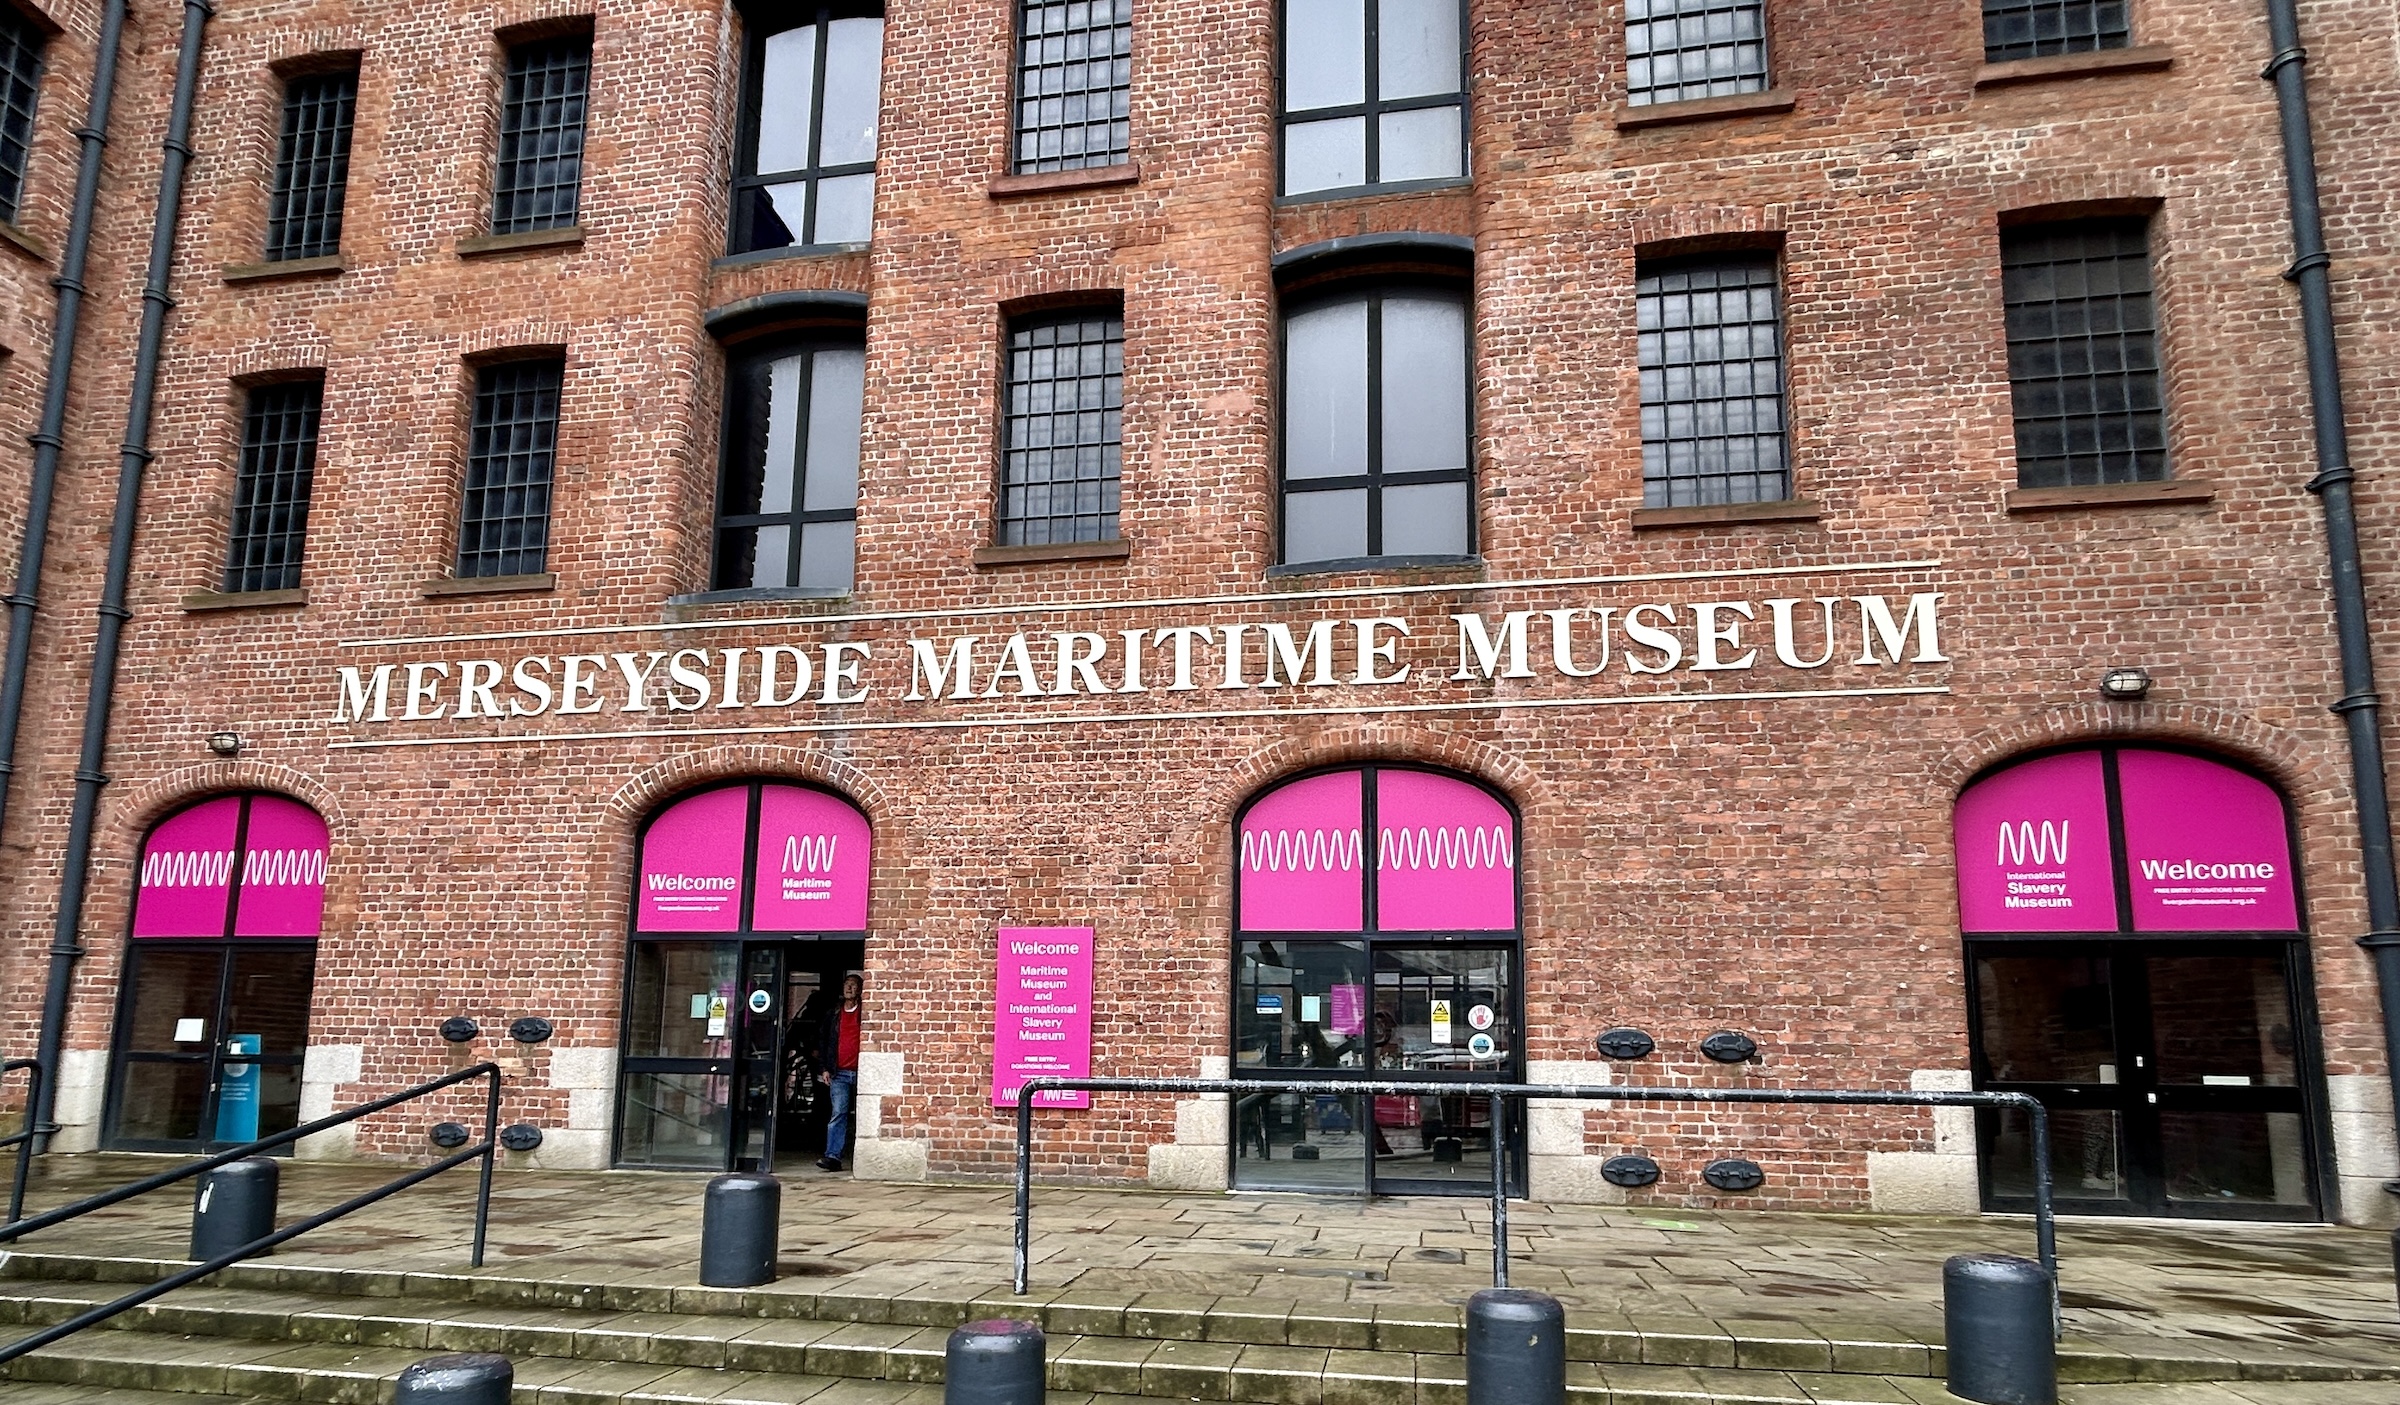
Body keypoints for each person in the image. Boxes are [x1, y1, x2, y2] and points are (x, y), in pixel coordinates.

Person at [815, 973, 863, 1172]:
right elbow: (824, 1041)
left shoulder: (865, 1012)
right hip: (839, 1071)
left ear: (860, 989)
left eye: (853, 985)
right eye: (846, 984)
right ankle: (832, 1156)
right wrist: (825, 1067)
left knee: (862, 1114)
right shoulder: (834, 1013)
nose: (849, 988)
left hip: (862, 1071)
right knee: (838, 1113)